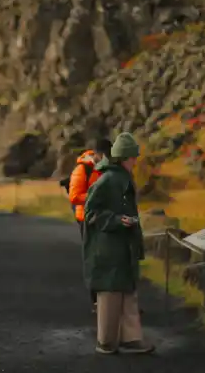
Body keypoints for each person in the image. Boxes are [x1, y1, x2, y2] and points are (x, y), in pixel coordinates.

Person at [83, 132, 155, 355]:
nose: (135, 161)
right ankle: (106, 341)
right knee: (111, 293)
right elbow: (90, 213)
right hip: (109, 248)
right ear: (124, 157)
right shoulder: (108, 180)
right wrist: (116, 220)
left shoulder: (120, 178)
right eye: (133, 157)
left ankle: (130, 338)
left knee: (128, 291)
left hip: (123, 245)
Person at [68, 137, 112, 313]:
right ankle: (95, 300)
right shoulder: (82, 169)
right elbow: (74, 196)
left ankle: (108, 298)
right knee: (94, 258)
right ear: (97, 154)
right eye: (105, 155)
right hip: (86, 219)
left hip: (105, 217)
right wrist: (96, 195)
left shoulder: (107, 167)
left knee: (106, 256)